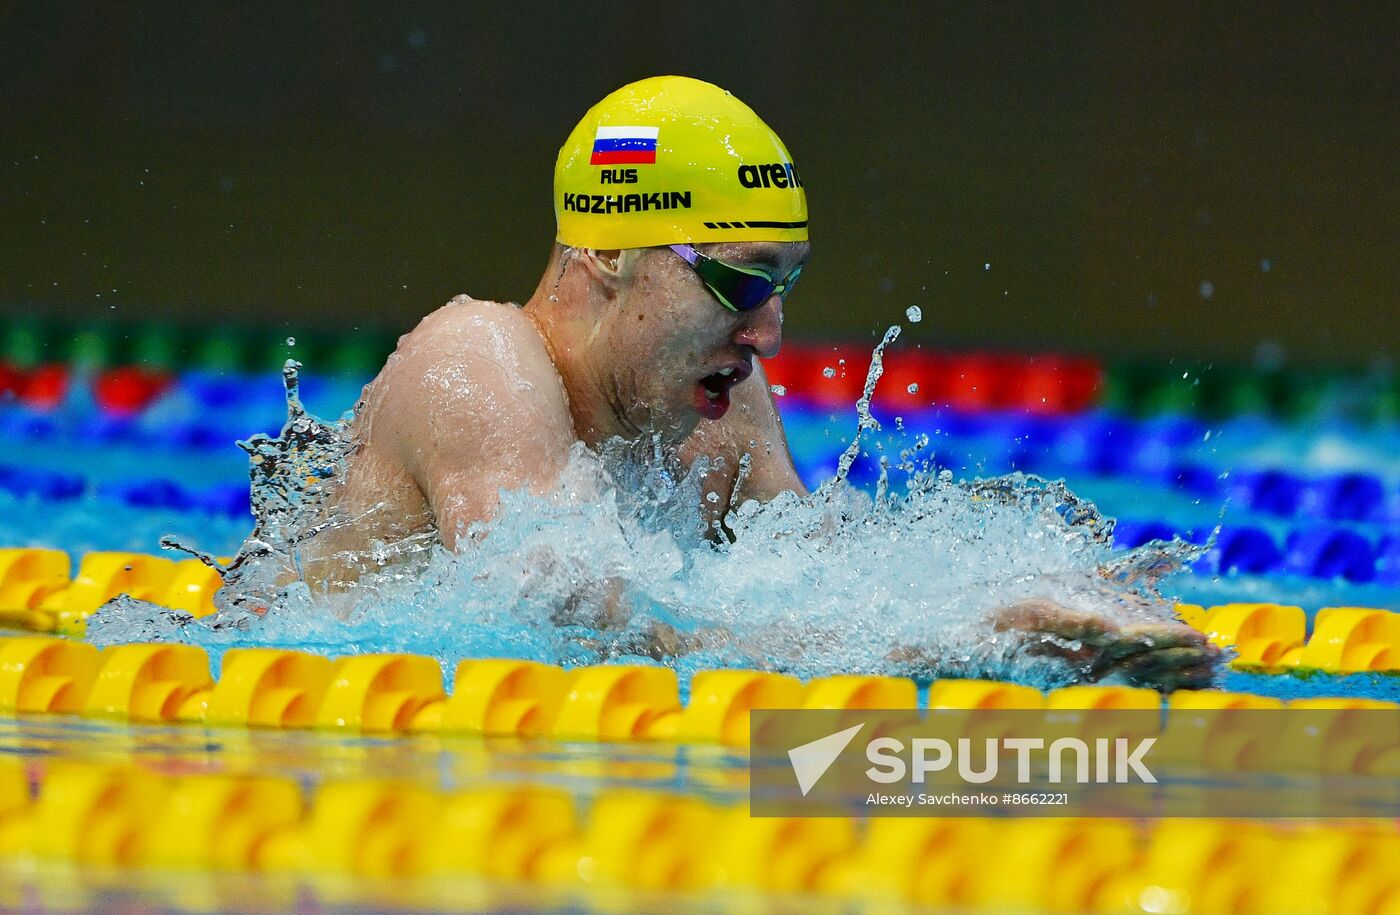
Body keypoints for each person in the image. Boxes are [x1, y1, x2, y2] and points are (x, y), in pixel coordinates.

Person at [299, 76, 1218, 688]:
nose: (769, 334)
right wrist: (949, 645)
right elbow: (569, 629)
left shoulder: (716, 402)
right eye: (739, 282)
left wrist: (1046, 594)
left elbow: (823, 579)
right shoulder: (477, 360)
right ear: (608, 254)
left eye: (783, 287)